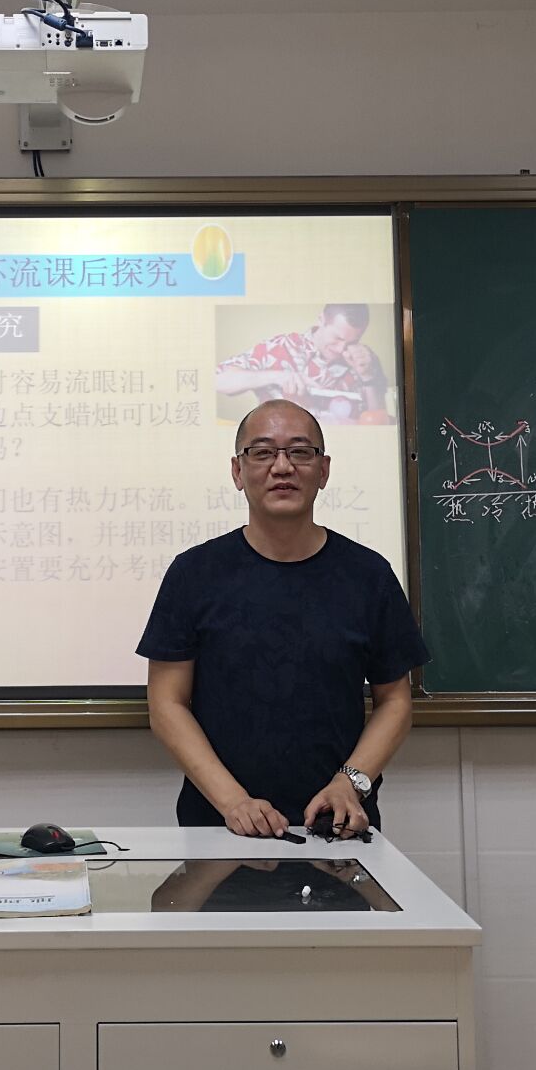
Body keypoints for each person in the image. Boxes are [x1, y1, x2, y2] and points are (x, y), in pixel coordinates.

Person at [137, 398, 429, 838]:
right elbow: (166, 704)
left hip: (337, 827)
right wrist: (233, 802)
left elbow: (395, 702)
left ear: (323, 470)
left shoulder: (369, 575)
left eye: (299, 451)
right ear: (237, 471)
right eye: (262, 452)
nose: (282, 467)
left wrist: (349, 783)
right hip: (218, 827)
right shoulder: (193, 573)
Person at [213, 303, 372, 417]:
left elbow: (376, 418)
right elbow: (218, 380)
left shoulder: (362, 360)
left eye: (352, 342)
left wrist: (368, 376)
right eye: (337, 338)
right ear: (321, 320)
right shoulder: (281, 347)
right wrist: (278, 376)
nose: (341, 349)